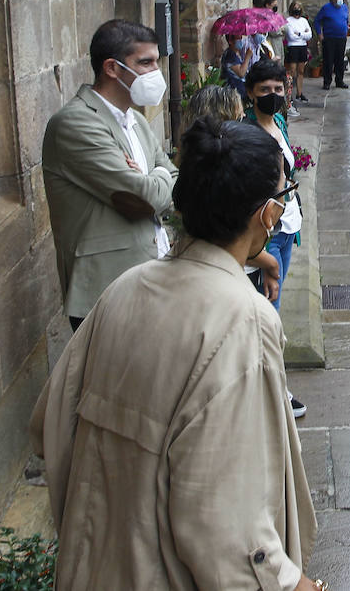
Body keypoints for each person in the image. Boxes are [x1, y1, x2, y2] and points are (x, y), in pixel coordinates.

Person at [30, 119, 321, 590]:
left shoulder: (124, 287)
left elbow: (49, 424)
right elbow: (227, 529)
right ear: (268, 214)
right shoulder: (244, 319)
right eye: (284, 193)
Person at [42, 20, 177, 331]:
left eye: (156, 61)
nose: (155, 71)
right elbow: (144, 197)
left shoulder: (137, 122)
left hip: (152, 275)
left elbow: (178, 183)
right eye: (145, 62)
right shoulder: (76, 123)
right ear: (112, 68)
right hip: (108, 290)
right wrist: (157, 178)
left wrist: (154, 176)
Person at [242, 59, 308, 419]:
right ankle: (274, 391)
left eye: (279, 89)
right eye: (264, 90)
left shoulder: (279, 122)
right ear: (251, 92)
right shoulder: (246, 133)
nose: (273, 96)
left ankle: (272, 384)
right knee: (266, 314)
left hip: (285, 229)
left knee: (272, 311)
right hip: (263, 236)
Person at [313, 0, 350, 90]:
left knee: (340, 60)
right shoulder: (326, 8)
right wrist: (319, 34)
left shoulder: (344, 7)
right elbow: (317, 21)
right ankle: (327, 82)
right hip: (329, 38)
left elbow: (346, 20)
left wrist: (346, 28)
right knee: (328, 60)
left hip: (341, 38)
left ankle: (339, 80)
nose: (341, 0)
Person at [283, 0, 313, 103]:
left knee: (301, 71)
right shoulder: (288, 21)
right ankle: (289, 94)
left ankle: (299, 93)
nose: (297, 10)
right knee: (292, 71)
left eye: (299, 8)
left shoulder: (304, 21)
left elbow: (309, 35)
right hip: (293, 47)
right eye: (295, 8)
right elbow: (291, 36)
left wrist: (299, 34)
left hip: (302, 47)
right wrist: (303, 34)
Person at [220, 33, 256, 98]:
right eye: (238, 39)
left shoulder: (237, 53)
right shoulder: (230, 55)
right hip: (233, 90)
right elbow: (241, 73)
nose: (241, 41)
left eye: (241, 38)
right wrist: (247, 56)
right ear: (230, 41)